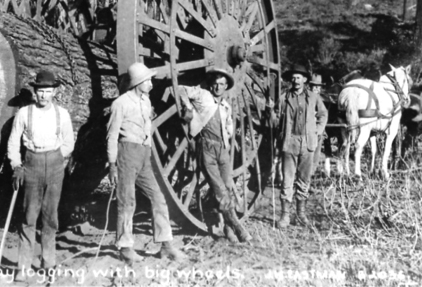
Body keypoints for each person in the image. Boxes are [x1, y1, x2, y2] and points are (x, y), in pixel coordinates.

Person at [106, 62, 186, 265]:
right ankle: (125, 248)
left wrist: (147, 150)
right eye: (148, 80)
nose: (151, 83)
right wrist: (112, 164)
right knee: (127, 201)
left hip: (143, 155)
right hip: (126, 153)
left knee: (158, 197)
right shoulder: (120, 104)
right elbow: (112, 136)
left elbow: (148, 129)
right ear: (138, 83)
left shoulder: (146, 102)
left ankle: (166, 245)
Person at [7, 70, 74, 282]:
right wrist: (17, 165)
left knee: (50, 218)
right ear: (35, 92)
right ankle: (23, 266)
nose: (43, 95)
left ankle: (49, 262)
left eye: (47, 91)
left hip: (54, 164)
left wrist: (54, 159)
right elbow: (13, 142)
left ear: (54, 91)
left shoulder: (62, 114)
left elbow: (69, 142)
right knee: (29, 217)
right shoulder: (24, 113)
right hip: (31, 164)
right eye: (40, 91)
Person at [178, 68, 252, 243]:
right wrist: (187, 108)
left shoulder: (226, 106)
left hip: (222, 150)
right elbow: (181, 89)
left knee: (227, 186)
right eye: (215, 84)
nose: (218, 87)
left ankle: (227, 229)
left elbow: (229, 127)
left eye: (221, 84)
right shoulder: (203, 95)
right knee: (219, 190)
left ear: (226, 86)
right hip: (206, 148)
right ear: (211, 84)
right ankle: (238, 227)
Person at [268, 65, 328, 229]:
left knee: (304, 180)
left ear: (305, 80)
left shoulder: (313, 97)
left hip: (308, 143)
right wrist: (271, 113)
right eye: (293, 78)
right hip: (290, 142)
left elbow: (323, 114)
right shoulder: (284, 98)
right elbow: (275, 118)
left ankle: (301, 215)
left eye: (299, 77)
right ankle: (285, 216)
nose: (296, 80)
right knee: (287, 179)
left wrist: (317, 132)